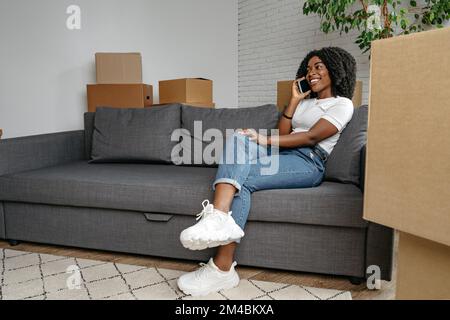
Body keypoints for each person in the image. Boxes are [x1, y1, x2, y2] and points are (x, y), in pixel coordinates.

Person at [177, 47, 357, 297]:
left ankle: (221, 268)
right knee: (239, 138)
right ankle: (217, 219)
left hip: (309, 161)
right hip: (282, 155)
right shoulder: (304, 103)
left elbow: (311, 137)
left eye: (319, 67)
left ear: (336, 71)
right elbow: (283, 134)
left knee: (242, 180)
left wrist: (263, 139)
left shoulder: (342, 104)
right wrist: (293, 102)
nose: (312, 73)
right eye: (308, 69)